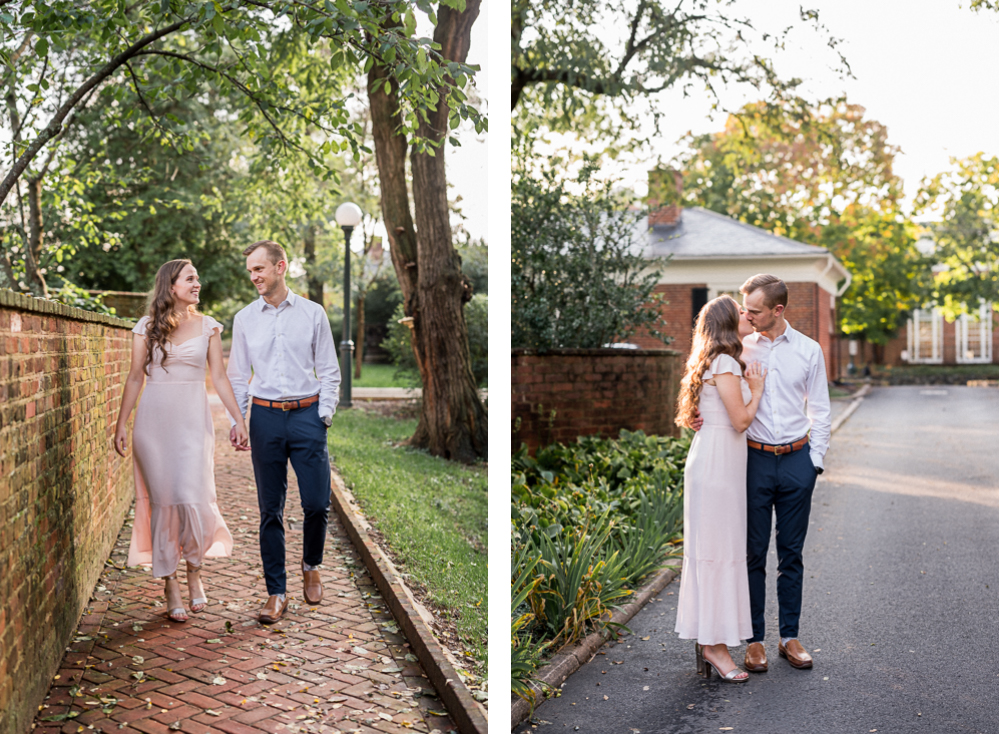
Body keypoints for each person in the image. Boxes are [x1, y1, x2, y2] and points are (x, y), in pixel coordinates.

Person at [113, 259, 248, 623]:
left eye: (198, 278)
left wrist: (239, 419)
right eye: (190, 278)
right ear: (171, 285)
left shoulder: (209, 326)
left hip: (192, 422)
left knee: (192, 497)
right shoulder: (146, 326)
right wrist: (122, 423)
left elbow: (219, 378)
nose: (197, 283)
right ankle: (170, 582)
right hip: (152, 425)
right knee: (163, 501)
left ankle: (195, 571)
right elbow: (134, 379)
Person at [226, 240, 341, 624]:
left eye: (260, 269)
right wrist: (238, 421)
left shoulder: (312, 313)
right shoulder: (245, 319)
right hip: (266, 420)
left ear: (281, 266)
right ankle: (276, 593)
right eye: (251, 271)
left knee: (315, 503)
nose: (254, 277)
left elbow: (328, 370)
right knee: (269, 510)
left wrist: (324, 415)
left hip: (308, 416)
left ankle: (312, 564)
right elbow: (238, 376)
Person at [738, 273, 831, 672]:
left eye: (754, 310)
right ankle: (754, 640)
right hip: (754, 462)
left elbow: (821, 410)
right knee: (753, 554)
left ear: (778, 310)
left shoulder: (809, 351)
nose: (747, 315)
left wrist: (814, 462)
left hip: (797, 462)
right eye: (745, 308)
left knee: (791, 555)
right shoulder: (739, 349)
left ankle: (789, 637)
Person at [674, 295, 766, 682]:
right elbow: (741, 420)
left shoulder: (713, 360)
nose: (747, 316)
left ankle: (710, 640)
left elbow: (697, 415)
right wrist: (756, 388)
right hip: (717, 467)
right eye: (741, 312)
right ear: (729, 323)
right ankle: (714, 647)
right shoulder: (726, 362)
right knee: (716, 554)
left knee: (716, 552)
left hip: (715, 461)